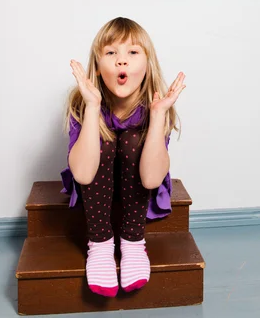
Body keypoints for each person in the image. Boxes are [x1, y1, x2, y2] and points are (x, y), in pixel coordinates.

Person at [60, 17, 185, 297]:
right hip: (94, 181)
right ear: (98, 65)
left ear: (147, 64)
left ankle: (132, 241)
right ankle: (101, 244)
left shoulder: (154, 106)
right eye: (111, 53)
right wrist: (92, 108)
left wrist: (158, 116)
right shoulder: (82, 103)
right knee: (103, 139)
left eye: (132, 52)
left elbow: (152, 179)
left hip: (140, 182)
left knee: (131, 139)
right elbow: (82, 174)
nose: (121, 62)